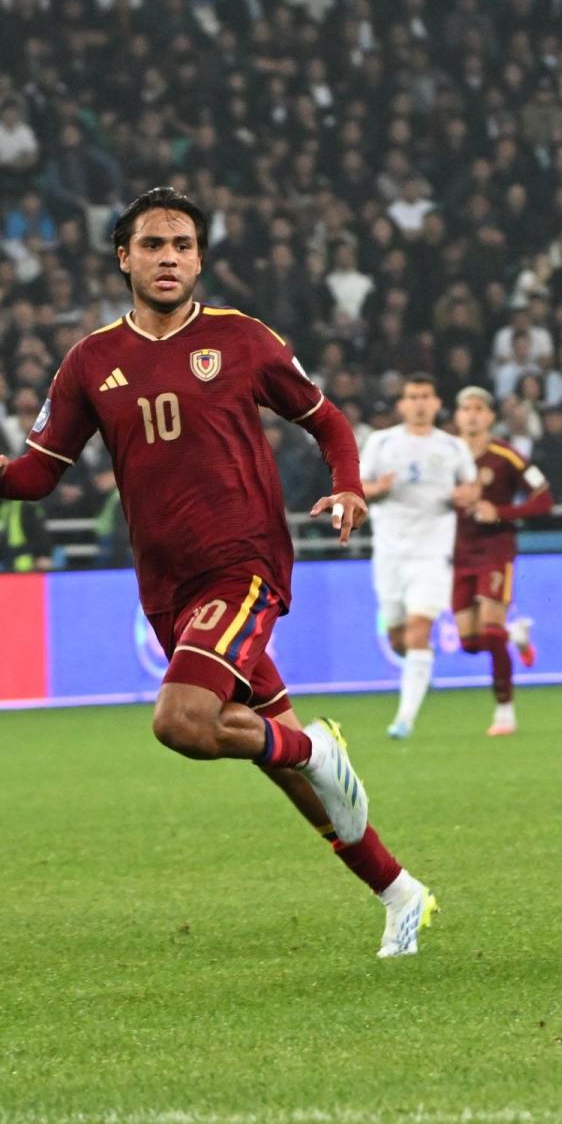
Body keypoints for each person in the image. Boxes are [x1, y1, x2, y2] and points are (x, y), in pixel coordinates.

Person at [0, 187, 436, 957]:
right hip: (165, 588)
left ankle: (317, 749)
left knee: (183, 721)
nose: (169, 258)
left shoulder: (241, 338)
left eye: (183, 246)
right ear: (124, 257)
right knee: (279, 761)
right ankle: (399, 890)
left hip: (243, 564)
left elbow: (327, 419)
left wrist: (347, 484)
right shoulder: (91, 361)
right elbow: (36, 475)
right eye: (153, 244)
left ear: (200, 259)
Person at [361, 375, 478, 739]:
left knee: (418, 629)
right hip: (390, 552)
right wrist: (377, 490)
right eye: (412, 397)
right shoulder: (380, 442)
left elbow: (471, 488)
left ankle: (404, 719)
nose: (419, 403)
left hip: (432, 552)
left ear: (437, 403)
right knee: (399, 638)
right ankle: (420, 666)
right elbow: (358, 486)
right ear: (401, 405)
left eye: (426, 396)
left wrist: (466, 497)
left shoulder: (453, 447)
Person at [452, 386, 553, 736]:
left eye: (479, 408)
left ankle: (505, 712)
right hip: (457, 552)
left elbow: (544, 499)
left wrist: (500, 513)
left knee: (491, 631)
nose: (472, 414)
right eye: (466, 408)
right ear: (457, 416)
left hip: (496, 549)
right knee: (469, 643)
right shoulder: (446, 453)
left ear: (490, 417)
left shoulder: (506, 455)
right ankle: (516, 634)